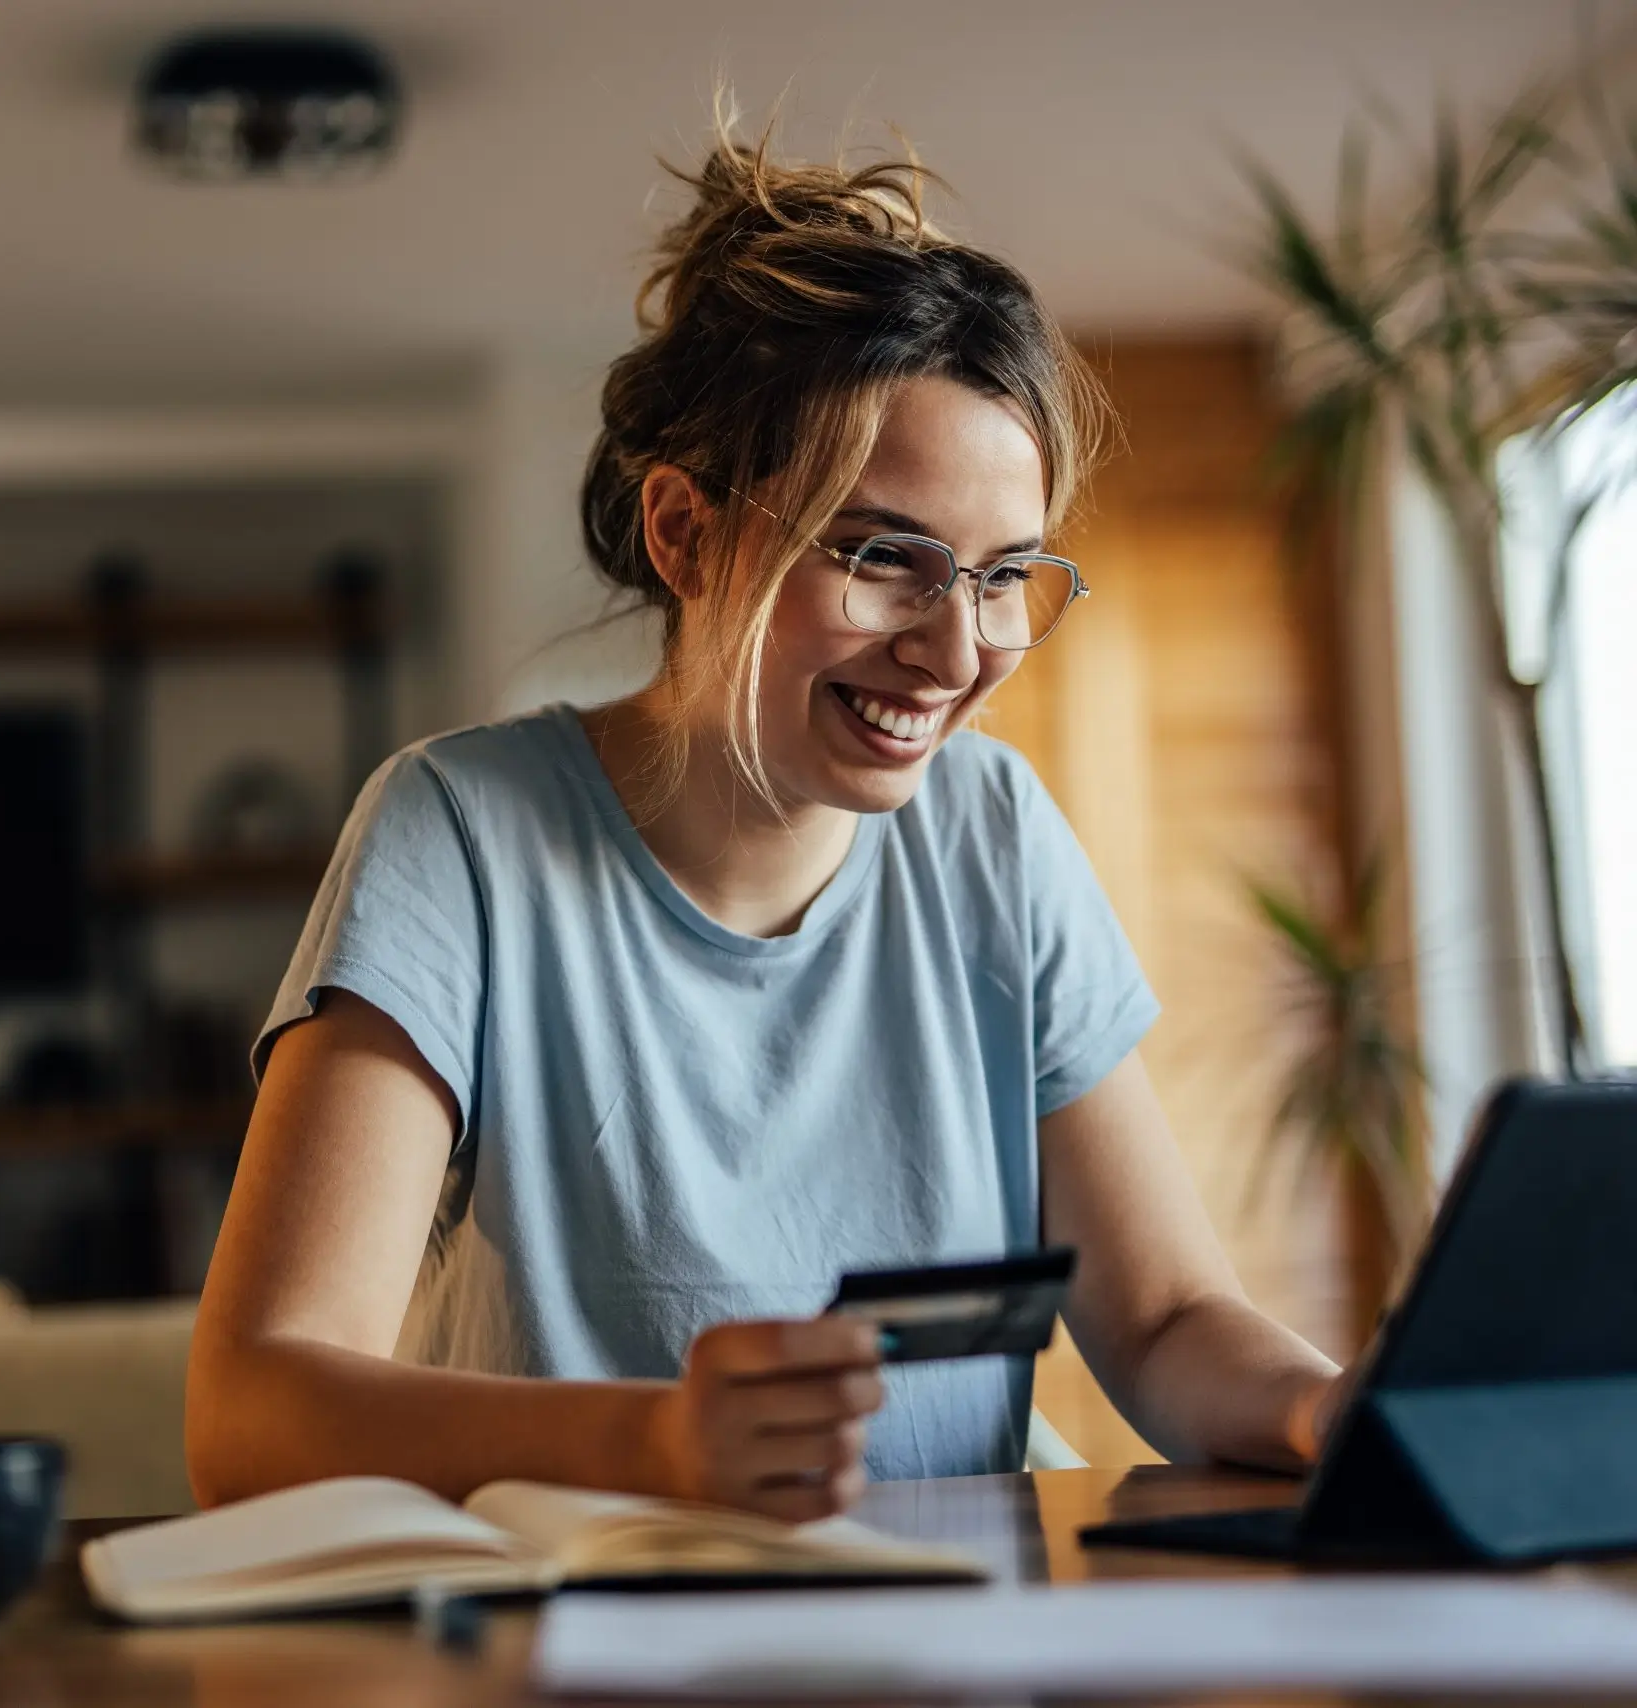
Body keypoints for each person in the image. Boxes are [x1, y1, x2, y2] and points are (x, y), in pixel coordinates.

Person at [185, 125, 1346, 1522]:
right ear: (682, 534)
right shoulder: (459, 835)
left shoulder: (995, 833)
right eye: (881, 559)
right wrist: (660, 1449)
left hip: (950, 1638)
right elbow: (254, 1406)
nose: (956, 648)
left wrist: (1320, 1403)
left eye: (1003, 577)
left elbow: (1162, 1324)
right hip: (577, 1642)